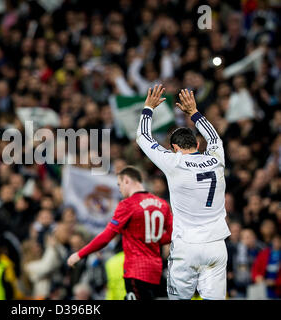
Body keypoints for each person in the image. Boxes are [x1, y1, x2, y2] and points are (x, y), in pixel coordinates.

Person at [136, 85, 230, 300]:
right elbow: (215, 138)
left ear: (174, 148)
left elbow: (142, 137)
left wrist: (148, 108)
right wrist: (194, 113)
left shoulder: (174, 161)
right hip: (216, 244)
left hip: (186, 246)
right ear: (197, 144)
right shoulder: (216, 159)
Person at [67, 166, 173, 300]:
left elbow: (106, 237)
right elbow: (171, 235)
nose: (119, 189)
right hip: (156, 270)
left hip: (136, 271)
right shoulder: (162, 204)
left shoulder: (128, 204)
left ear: (127, 180)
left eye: (119, 184)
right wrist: (151, 238)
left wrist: (80, 254)